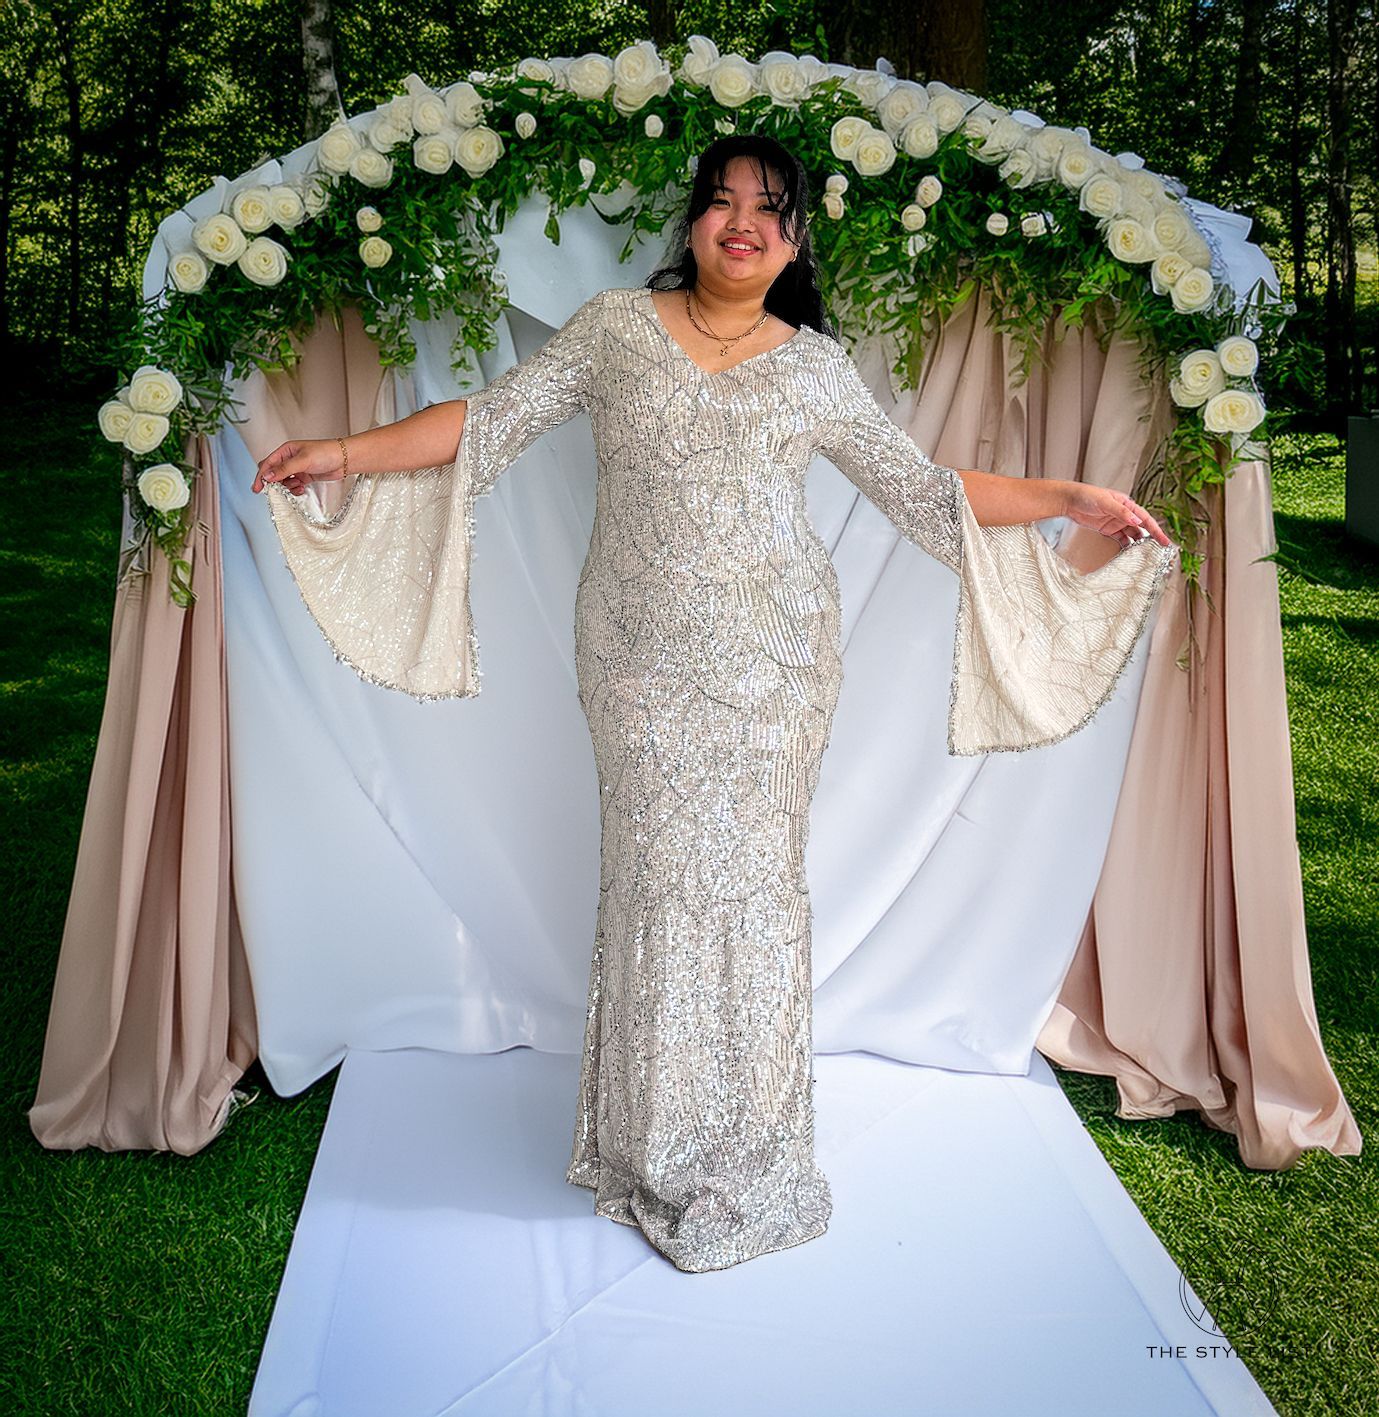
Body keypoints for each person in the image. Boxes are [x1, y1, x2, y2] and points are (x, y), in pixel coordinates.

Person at [251, 133, 1178, 1273]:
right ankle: (647, 1140)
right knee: (656, 882)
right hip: (635, 665)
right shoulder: (610, 334)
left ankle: (749, 1143)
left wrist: (1069, 498)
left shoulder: (813, 367)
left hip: (777, 672)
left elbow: (932, 499)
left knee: (751, 890)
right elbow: (480, 425)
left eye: (770, 207)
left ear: (793, 242)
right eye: (722, 201)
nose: (742, 221)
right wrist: (343, 450)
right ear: (692, 222)